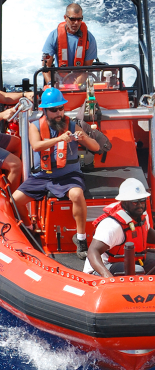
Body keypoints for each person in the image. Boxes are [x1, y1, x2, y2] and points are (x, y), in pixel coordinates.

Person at [13, 87, 100, 257]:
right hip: (42, 175)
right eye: (54, 110)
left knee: (76, 194)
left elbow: (96, 147)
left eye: (61, 108)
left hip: (68, 175)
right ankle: (30, 229)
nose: (59, 113)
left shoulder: (73, 125)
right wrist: (59, 139)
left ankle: (81, 239)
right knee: (15, 200)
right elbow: (37, 145)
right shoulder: (34, 126)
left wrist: (84, 138)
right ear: (45, 110)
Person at [85, 178, 155, 276]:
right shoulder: (112, 225)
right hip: (103, 268)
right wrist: (107, 275)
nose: (140, 205)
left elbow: (147, 232)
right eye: (135, 202)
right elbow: (92, 252)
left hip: (129, 261)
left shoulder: (141, 215)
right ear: (124, 202)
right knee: (136, 270)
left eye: (142, 201)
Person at [41, 3, 97, 86]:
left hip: (80, 84)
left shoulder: (89, 39)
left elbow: (86, 69)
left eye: (79, 19)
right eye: (72, 19)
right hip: (59, 83)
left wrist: (74, 87)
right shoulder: (54, 36)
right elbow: (45, 66)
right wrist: (50, 85)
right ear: (65, 18)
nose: (76, 22)